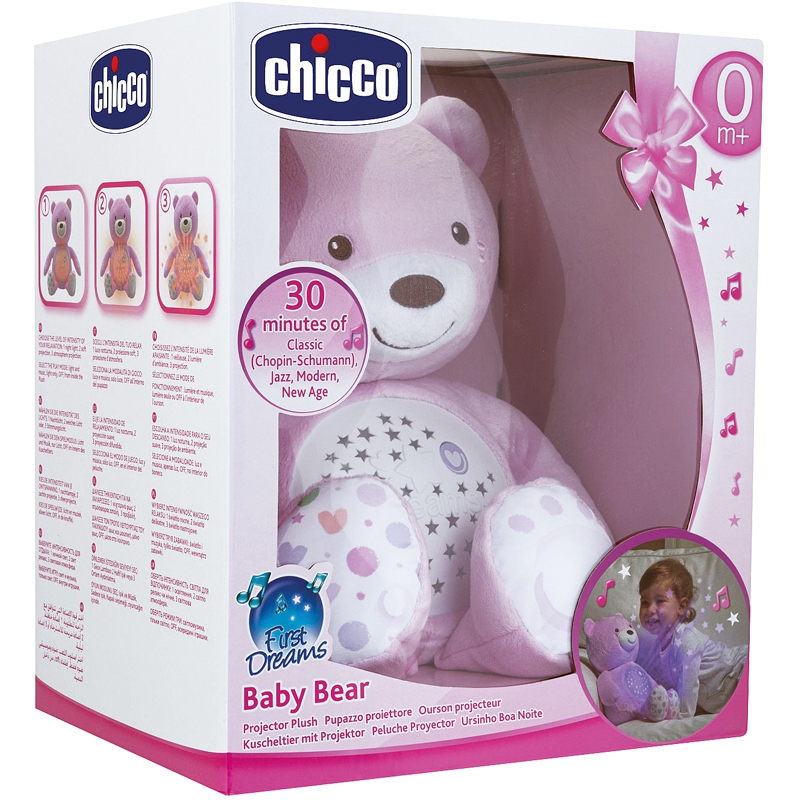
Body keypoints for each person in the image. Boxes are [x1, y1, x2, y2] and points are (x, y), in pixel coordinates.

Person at [635, 558, 748, 719]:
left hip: (739, 670)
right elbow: (655, 680)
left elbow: (688, 690)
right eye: (645, 602)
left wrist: (681, 718)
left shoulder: (686, 641)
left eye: (660, 601)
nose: (650, 610)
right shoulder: (657, 646)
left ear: (681, 607)